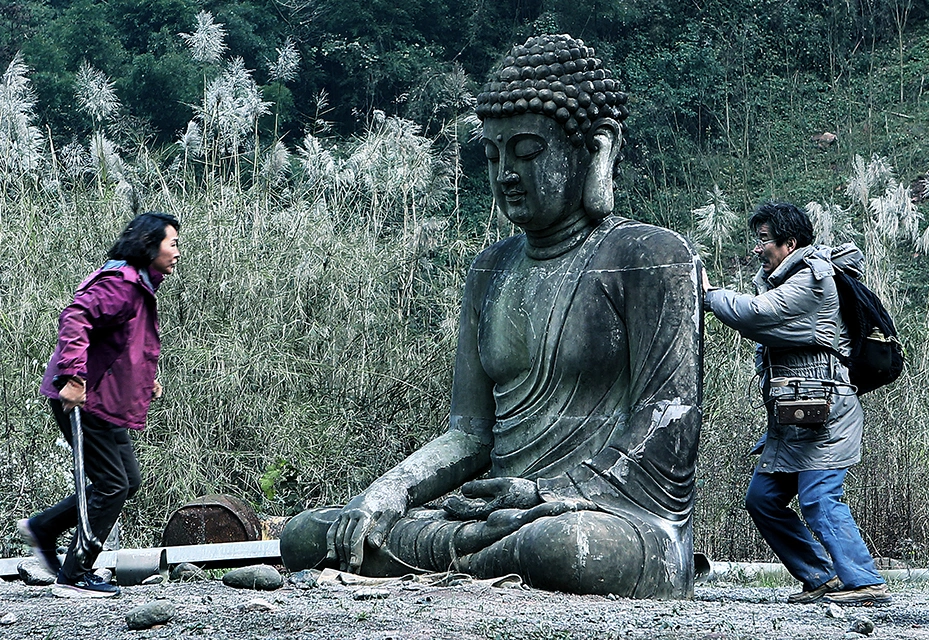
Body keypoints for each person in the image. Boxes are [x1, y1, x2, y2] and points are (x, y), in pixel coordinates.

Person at [281, 34, 704, 599]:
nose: (506, 173)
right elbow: (469, 434)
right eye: (493, 155)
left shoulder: (649, 257)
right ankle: (472, 551)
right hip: (496, 513)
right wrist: (389, 491)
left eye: (527, 153)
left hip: (609, 514)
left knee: (560, 547)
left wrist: (546, 493)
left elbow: (668, 422)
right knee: (312, 534)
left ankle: (475, 553)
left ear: (598, 148)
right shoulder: (490, 270)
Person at [702, 201, 891, 606]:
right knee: (763, 500)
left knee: (820, 498)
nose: (757, 248)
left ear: (789, 244)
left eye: (764, 240)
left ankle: (864, 581)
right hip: (796, 415)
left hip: (827, 414)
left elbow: (755, 314)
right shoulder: (786, 278)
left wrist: (709, 294)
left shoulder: (811, 280)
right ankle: (821, 576)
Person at [18, 211, 181, 598]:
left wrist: (145, 381)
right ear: (149, 245)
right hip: (85, 398)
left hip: (106, 399)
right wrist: (73, 378)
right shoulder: (121, 284)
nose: (177, 252)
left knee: (127, 482)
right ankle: (74, 575)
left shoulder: (138, 285)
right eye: (172, 243)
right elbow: (75, 317)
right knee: (111, 485)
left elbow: (122, 344)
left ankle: (44, 527)